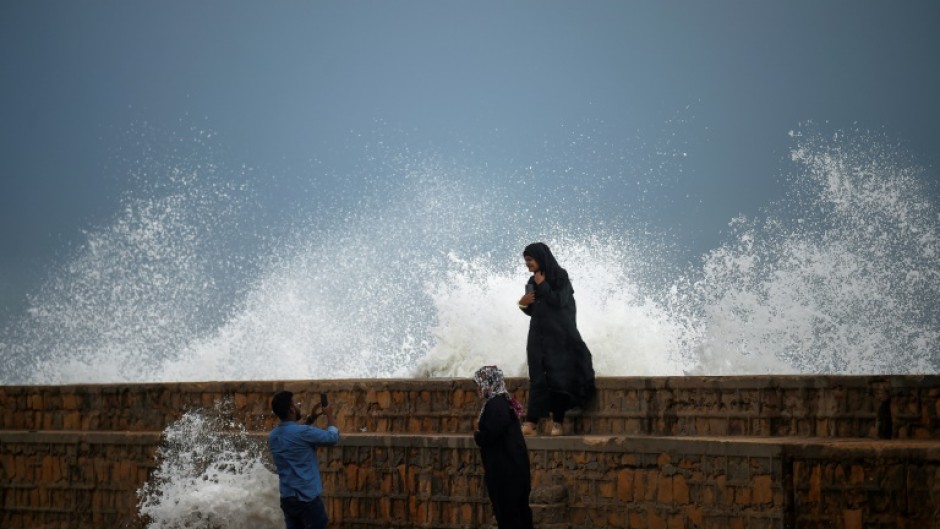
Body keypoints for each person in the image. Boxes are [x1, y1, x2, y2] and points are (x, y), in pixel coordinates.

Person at [517, 242, 596, 436]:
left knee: (558, 378)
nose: (527, 264)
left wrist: (543, 285)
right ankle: (531, 422)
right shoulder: (531, 279)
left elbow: (560, 301)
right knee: (537, 377)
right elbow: (535, 309)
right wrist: (522, 304)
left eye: (530, 260)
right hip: (538, 335)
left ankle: (558, 422)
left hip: (559, 335)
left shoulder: (560, 276)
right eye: (526, 261)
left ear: (540, 258)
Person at [472, 365, 534, 529]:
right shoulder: (503, 402)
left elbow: (492, 432)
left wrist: (478, 434)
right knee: (519, 516)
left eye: (480, 384)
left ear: (489, 383)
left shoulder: (495, 405)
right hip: (515, 471)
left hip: (507, 475)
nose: (478, 389)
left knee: (509, 518)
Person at [269, 390, 340, 529]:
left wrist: (311, 418)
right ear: (291, 409)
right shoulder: (303, 433)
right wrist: (330, 415)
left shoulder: (273, 436)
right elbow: (333, 438)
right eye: (295, 404)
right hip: (307, 499)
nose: (297, 406)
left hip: (288, 499)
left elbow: (295, 435)